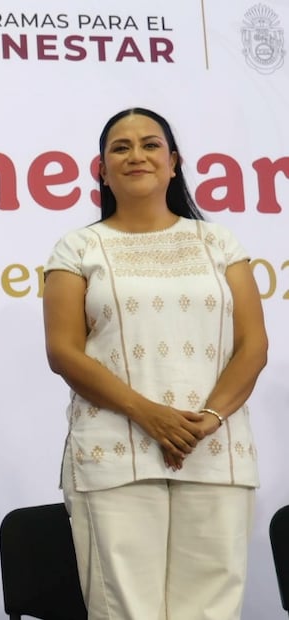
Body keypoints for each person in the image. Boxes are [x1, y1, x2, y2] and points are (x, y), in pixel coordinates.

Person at [42, 107, 268, 619]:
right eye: (120, 148)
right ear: (102, 170)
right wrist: (150, 415)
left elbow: (253, 346)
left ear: (174, 163)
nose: (136, 156)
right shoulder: (78, 248)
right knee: (126, 610)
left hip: (215, 452)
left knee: (211, 610)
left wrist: (208, 418)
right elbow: (63, 352)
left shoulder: (218, 243)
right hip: (114, 455)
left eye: (150, 145)